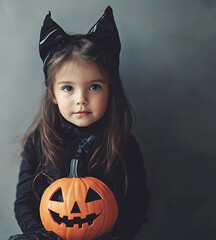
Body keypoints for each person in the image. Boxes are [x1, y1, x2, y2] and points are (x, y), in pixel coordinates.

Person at [9, 6, 150, 240]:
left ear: (110, 89)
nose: (81, 99)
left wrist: (117, 235)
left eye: (94, 87)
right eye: (68, 88)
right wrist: (38, 234)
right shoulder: (38, 143)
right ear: (53, 94)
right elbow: (24, 202)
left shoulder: (123, 144)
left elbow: (137, 203)